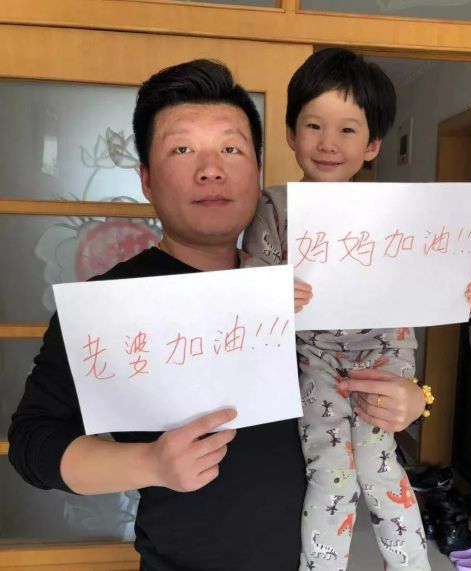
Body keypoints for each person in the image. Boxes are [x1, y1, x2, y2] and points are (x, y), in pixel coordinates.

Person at [8, 59, 437, 571]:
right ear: (146, 179)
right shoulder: (113, 302)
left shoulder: (314, 277)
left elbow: (372, 354)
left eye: (231, 149)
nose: (211, 168)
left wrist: (415, 400)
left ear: (258, 172)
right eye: (182, 149)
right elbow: (33, 443)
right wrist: (149, 463)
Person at [242, 48, 471, 571]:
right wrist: (270, 291)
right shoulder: (273, 205)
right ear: (290, 133)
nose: (328, 143)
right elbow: (247, 289)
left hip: (385, 351)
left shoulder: (397, 210)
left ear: (373, 144)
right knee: (331, 473)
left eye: (348, 130)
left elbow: (427, 274)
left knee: (379, 468)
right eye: (313, 125)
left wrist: (459, 294)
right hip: (314, 357)